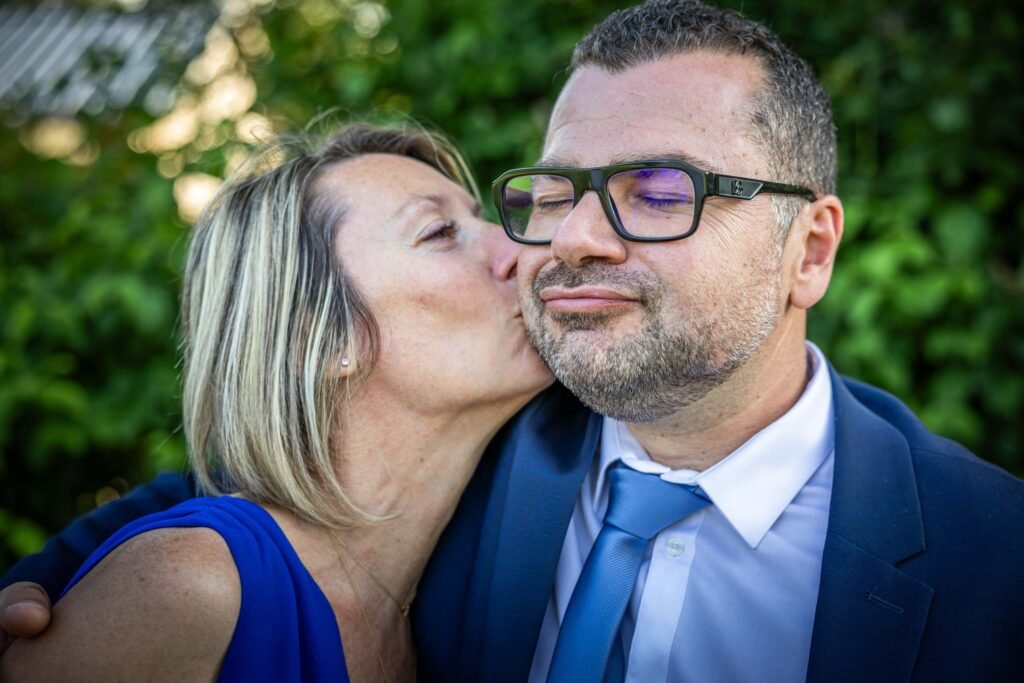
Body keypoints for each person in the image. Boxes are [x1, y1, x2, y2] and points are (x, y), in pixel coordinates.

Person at [3, 1, 1024, 681]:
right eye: (561, 190)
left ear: (808, 251)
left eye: (658, 191)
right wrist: (57, 574)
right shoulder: (490, 449)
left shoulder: (993, 558)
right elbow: (241, 500)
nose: (564, 241)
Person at [0, 122, 554, 681]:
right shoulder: (191, 589)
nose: (522, 247)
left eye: (482, 218)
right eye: (439, 232)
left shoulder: (425, 608)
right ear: (322, 336)